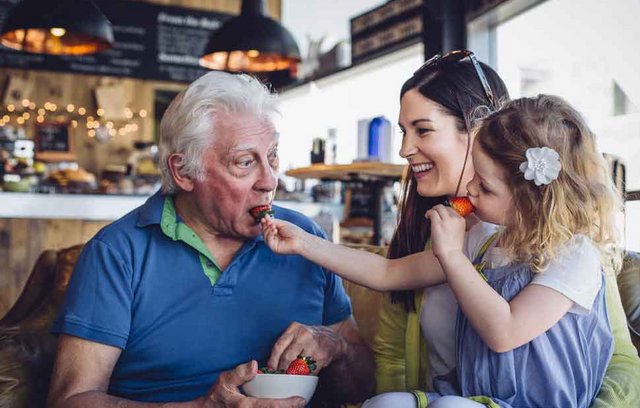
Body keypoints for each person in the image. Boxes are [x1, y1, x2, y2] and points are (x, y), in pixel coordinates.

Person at [262, 94, 619, 407]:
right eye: (474, 176)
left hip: (533, 403)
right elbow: (389, 273)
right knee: (385, 403)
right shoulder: (486, 243)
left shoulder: (574, 256)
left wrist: (451, 256)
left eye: (485, 186)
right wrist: (305, 243)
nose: (470, 190)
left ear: (531, 199)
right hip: (473, 397)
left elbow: (504, 332)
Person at [47, 71, 374, 407]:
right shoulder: (116, 253)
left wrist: (337, 346)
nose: (269, 180)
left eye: (272, 155)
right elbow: (70, 400)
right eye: (245, 162)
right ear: (184, 172)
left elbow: (364, 388)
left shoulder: (306, 241)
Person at [371, 51, 640, 408]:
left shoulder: (566, 247)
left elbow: (619, 362)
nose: (405, 149)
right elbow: (391, 347)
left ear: (480, 128)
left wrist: (451, 256)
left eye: (423, 130)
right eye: (404, 132)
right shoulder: (444, 238)